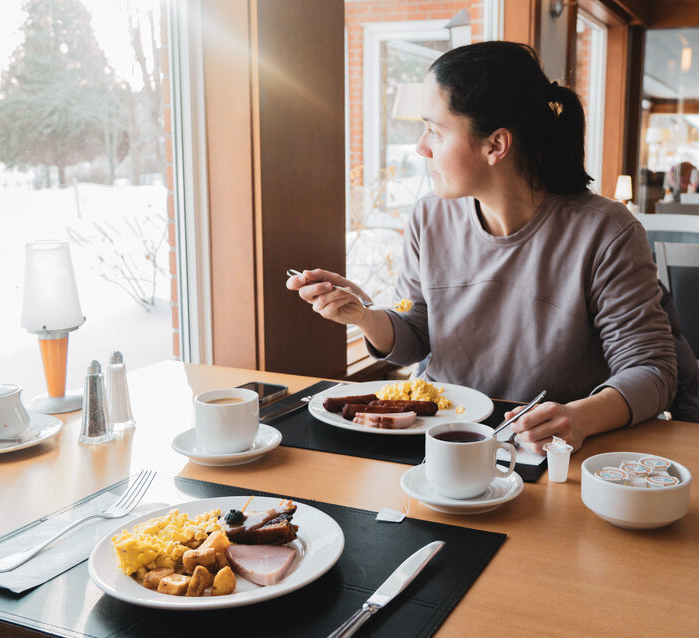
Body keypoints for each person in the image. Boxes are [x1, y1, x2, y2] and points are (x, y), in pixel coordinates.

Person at [288, 41, 677, 453]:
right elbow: (415, 334)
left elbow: (652, 371)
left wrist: (578, 417)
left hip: (548, 450)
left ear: (496, 145)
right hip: (442, 441)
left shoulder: (607, 233)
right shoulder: (428, 217)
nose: (421, 147)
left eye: (435, 130)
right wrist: (364, 317)